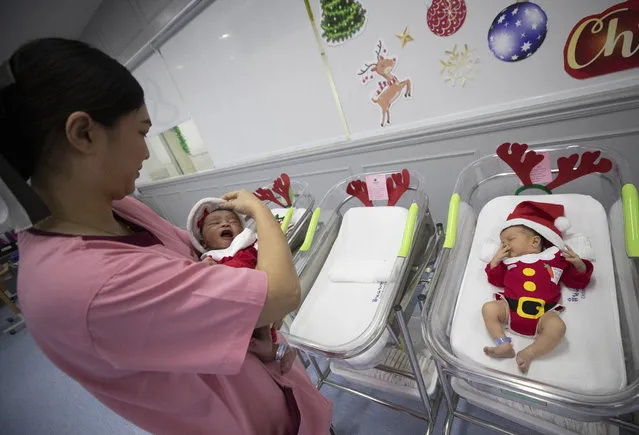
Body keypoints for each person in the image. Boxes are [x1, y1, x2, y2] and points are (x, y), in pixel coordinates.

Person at [0, 38, 332, 435]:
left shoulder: (118, 209)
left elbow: (196, 258)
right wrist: (261, 213)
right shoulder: (83, 287)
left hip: (275, 391)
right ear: (84, 133)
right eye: (141, 132)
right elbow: (281, 294)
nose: (145, 153)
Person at [185, 198, 297, 373]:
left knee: (265, 342)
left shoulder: (251, 245)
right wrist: (207, 269)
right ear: (204, 242)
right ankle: (281, 351)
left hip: (262, 299)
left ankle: (277, 350)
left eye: (232, 221)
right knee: (245, 345)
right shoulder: (211, 258)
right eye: (214, 223)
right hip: (235, 310)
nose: (225, 224)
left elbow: (275, 260)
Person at [481, 201, 593, 373]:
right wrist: (495, 262)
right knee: (488, 309)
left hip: (543, 314)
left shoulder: (555, 258)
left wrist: (579, 265)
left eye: (510, 239)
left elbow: (575, 281)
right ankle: (503, 344)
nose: (505, 245)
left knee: (558, 328)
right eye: (502, 242)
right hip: (510, 308)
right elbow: (497, 281)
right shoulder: (508, 262)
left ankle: (529, 352)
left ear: (534, 242)